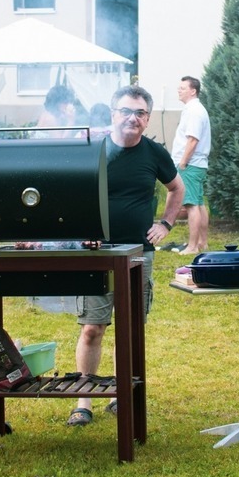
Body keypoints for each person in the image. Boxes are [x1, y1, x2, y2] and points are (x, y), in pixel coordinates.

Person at [67, 85, 184, 427]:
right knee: (92, 328)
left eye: (140, 113)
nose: (132, 118)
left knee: (129, 329)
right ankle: (83, 400)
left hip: (138, 254)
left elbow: (177, 188)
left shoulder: (154, 153)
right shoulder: (96, 149)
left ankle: (121, 395)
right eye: (126, 111)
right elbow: (73, 193)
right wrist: (81, 232)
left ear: (147, 119)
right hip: (97, 253)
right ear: (112, 114)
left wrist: (165, 223)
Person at [169, 76, 211, 255]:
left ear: (193, 91)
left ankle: (193, 246)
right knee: (199, 203)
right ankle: (203, 243)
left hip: (190, 164)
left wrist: (183, 163)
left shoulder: (194, 110)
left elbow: (193, 140)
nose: (179, 90)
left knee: (192, 205)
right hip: (197, 164)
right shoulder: (194, 109)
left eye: (182, 88)